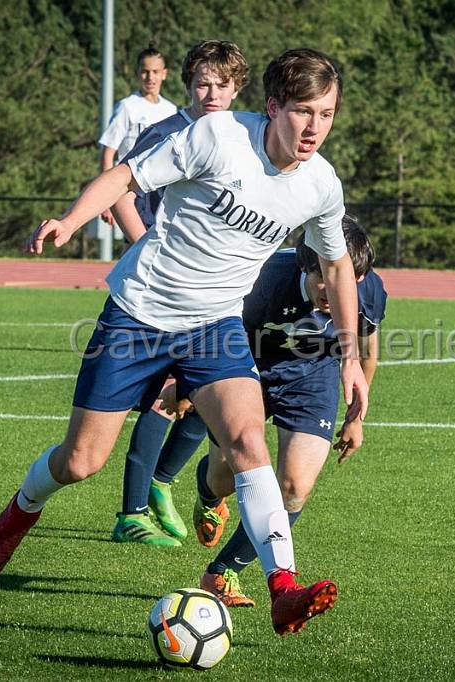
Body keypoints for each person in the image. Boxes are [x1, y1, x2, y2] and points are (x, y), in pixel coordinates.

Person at [0, 48, 368, 636]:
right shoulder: (219, 137)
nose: (315, 128)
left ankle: (283, 586)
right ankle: (19, 512)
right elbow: (125, 176)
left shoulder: (320, 184)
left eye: (327, 114)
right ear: (272, 107)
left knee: (247, 443)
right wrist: (73, 219)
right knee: (81, 461)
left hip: (213, 327)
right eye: (303, 112)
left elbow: (337, 268)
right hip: (138, 314)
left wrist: (351, 360)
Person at [156, 218, 386, 607]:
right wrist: (183, 384)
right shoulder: (262, 280)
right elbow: (204, 330)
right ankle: (209, 494)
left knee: (294, 487)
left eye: (349, 280)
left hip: (313, 377)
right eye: (323, 279)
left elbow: (367, 352)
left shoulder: (369, 290)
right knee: (224, 476)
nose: (334, 291)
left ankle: (222, 572)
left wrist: (356, 417)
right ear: (305, 265)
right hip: (244, 365)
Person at [107, 40, 250, 547]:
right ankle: (132, 510)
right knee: (169, 397)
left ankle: (162, 484)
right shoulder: (167, 131)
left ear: (238, 89)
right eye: (202, 83)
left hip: (213, 295)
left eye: (222, 85)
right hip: (159, 293)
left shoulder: (245, 134)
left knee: (208, 402)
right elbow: (121, 190)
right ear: (186, 85)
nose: (211, 93)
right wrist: (148, 245)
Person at [98, 43, 178, 225]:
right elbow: (108, 153)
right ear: (137, 73)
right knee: (138, 243)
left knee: (146, 246)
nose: (150, 77)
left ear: (164, 74)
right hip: (131, 188)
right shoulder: (127, 107)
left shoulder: (171, 109)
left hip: (159, 190)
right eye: (145, 71)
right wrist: (106, 199)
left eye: (155, 71)